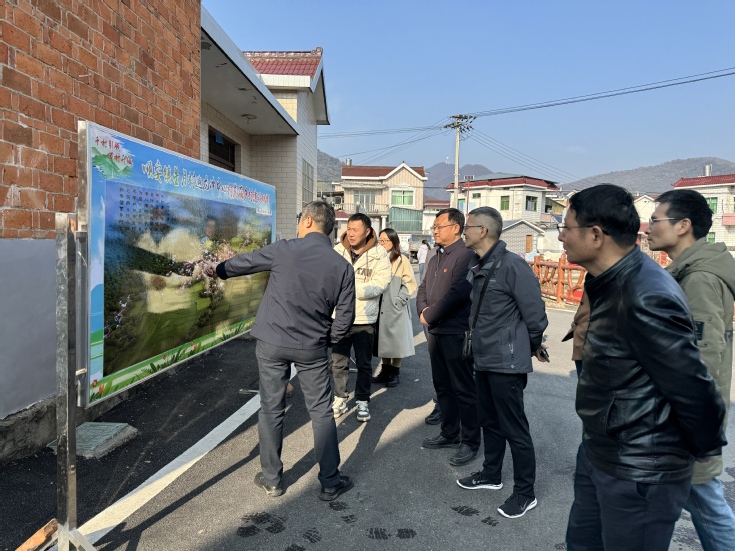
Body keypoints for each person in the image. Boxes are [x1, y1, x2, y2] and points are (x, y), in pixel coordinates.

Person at [559, 184, 726, 551]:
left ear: (596, 235)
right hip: (603, 451)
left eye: (566, 227)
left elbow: (695, 389)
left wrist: (689, 455)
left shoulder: (646, 294)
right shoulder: (609, 280)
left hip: (640, 468)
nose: (560, 236)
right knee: (582, 542)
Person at [202, 201, 356, 501]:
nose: (298, 224)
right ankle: (330, 481)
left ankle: (272, 480)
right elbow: (345, 318)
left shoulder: (285, 249)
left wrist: (219, 270)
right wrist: (327, 340)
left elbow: (245, 262)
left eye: (300, 219)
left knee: (271, 408)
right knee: (321, 411)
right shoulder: (342, 266)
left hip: (272, 341)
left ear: (308, 221)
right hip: (312, 346)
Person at [645, 189, 735, 551]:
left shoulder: (698, 279)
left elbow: (703, 360)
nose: (648, 227)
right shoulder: (687, 272)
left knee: (706, 502)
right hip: (686, 417)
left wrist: (695, 427)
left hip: (687, 420)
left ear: (683, 226)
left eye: (655, 220)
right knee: (698, 500)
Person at [456, 207, 548, 519]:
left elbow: (535, 316)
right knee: (490, 421)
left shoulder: (512, 265)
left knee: (514, 428)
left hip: (506, 362)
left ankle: (525, 493)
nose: (464, 232)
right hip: (483, 358)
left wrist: (530, 345)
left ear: (482, 231)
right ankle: (491, 474)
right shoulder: (481, 263)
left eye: (467, 227)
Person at [417, 208, 480, 467]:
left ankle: (470, 440)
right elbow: (422, 288)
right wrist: (422, 310)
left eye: (439, 226)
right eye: (434, 226)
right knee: (442, 385)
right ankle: (450, 432)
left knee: (463, 388)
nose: (434, 230)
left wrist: (430, 314)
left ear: (456, 228)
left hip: (456, 331)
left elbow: (458, 293)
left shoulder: (466, 255)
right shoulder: (436, 256)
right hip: (436, 331)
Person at [331, 213, 392, 422]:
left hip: (364, 318)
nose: (351, 233)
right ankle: (340, 397)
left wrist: (350, 289)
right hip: (339, 316)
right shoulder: (338, 251)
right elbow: (329, 279)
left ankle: (362, 400)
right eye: (349, 228)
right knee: (338, 362)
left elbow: (382, 283)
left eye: (355, 229)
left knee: (364, 364)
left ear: (367, 232)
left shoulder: (379, 253)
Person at [372, 228, 417, 387]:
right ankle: (385, 370)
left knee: (396, 341)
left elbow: (410, 283)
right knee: (384, 340)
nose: (383, 243)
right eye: (381, 240)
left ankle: (395, 371)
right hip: (380, 306)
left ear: (394, 241)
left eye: (386, 240)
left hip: (396, 306)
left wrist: (399, 300)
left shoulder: (402, 259)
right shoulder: (377, 258)